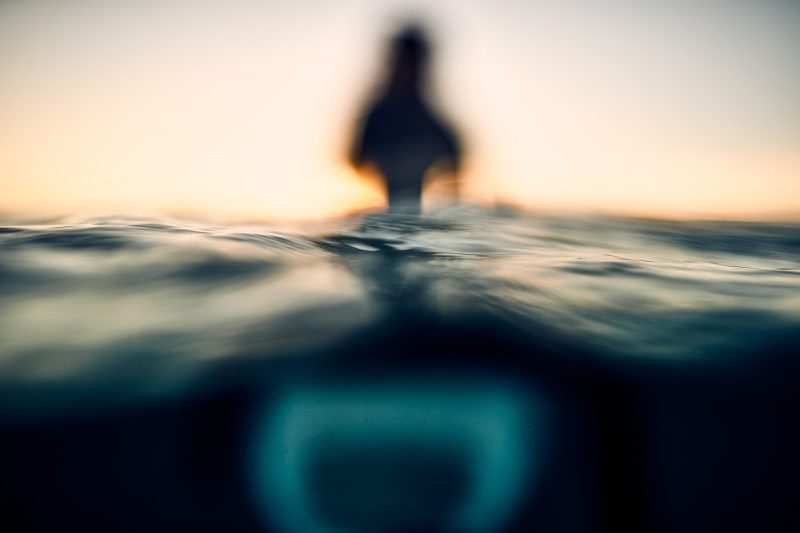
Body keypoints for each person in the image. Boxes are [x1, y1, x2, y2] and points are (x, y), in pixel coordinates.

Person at [349, 25, 462, 215]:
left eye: (412, 62)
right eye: (403, 61)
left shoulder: (430, 119)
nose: (407, 69)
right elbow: (355, 159)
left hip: (411, 219)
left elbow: (455, 163)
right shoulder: (377, 116)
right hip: (390, 219)